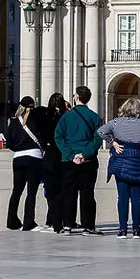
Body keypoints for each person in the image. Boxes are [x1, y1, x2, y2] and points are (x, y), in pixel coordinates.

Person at [98, 99, 140, 239]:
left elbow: (101, 131)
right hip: (138, 161)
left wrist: (113, 143)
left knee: (122, 197)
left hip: (121, 159)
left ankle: (123, 230)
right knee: (136, 197)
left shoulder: (116, 122)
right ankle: (136, 230)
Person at [54, 86, 103, 236]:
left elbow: (58, 137)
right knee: (87, 193)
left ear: (76, 97)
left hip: (68, 161)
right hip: (88, 161)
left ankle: (68, 224)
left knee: (69, 193)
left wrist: (70, 155)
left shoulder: (66, 117)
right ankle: (88, 226)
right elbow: (97, 139)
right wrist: (85, 154)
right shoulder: (94, 117)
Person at [5, 97, 46, 231]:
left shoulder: (14, 121)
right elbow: (43, 137)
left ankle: (12, 221)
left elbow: (9, 143)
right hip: (34, 157)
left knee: (16, 191)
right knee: (31, 192)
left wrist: (19, 148)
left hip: (18, 158)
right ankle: (28, 222)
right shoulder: (37, 120)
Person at [39, 93, 70, 234]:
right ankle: (63, 221)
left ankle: (55, 222)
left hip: (50, 155)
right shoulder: (66, 118)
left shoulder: (45, 117)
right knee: (63, 190)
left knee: (51, 191)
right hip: (63, 155)